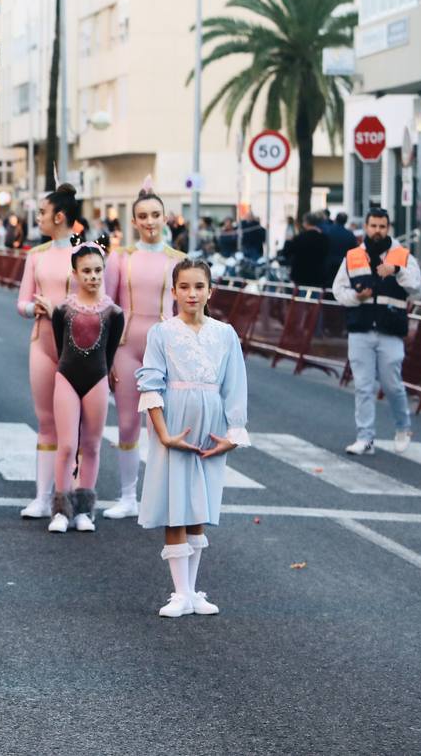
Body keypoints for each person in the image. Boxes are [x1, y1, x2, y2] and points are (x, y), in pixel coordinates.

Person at [137, 259, 248, 618]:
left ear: (210, 291)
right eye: (184, 286)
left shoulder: (225, 334)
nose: (191, 293)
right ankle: (179, 592)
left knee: (200, 503)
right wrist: (165, 434)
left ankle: (194, 589)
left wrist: (233, 434)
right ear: (173, 292)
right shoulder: (162, 333)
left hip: (210, 426)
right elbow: (150, 382)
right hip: (175, 424)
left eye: (199, 286)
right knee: (175, 504)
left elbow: (235, 386)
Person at [105, 188, 182, 520]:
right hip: (126, 346)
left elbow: (189, 309)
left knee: (161, 427)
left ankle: (158, 497)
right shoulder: (119, 257)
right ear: (134, 221)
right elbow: (106, 306)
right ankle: (127, 497)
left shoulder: (179, 260)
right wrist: (105, 356)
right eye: (143, 216)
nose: (150, 222)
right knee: (126, 425)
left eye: (155, 215)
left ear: (165, 218)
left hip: (165, 351)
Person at [330, 208, 421, 456]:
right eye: (373, 226)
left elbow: (418, 289)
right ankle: (365, 437)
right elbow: (338, 291)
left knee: (392, 384)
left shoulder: (402, 256)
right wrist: (356, 296)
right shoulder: (352, 256)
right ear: (366, 227)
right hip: (360, 327)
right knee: (363, 385)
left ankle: (403, 427)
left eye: (382, 226)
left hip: (390, 329)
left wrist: (398, 271)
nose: (377, 230)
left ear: (388, 228)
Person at [47, 243, 124, 534]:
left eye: (97, 270)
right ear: (75, 273)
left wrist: (105, 376)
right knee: (66, 445)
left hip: (97, 379)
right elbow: (59, 347)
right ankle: (60, 509)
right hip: (66, 377)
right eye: (87, 271)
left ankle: (83, 509)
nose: (93, 276)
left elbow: (110, 352)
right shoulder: (63, 310)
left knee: (91, 445)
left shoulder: (114, 312)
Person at [16, 184, 83, 518]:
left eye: (42, 212)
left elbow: (98, 302)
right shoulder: (36, 255)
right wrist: (35, 308)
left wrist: (59, 306)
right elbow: (21, 302)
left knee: (77, 427)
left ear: (59, 216)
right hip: (42, 343)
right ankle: (43, 497)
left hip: (79, 347)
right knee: (46, 422)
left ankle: (72, 498)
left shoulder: (86, 254)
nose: (38, 218)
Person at [283, 212, 331, 289]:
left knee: (301, 299)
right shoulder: (324, 238)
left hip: (301, 275)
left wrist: (288, 241)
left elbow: (286, 253)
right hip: (318, 275)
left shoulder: (300, 238)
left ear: (306, 223)